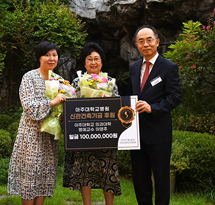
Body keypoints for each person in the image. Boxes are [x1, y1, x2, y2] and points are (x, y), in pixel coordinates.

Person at [128, 25, 182, 205]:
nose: (146, 44)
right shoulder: (134, 68)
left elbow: (175, 97)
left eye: (149, 40)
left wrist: (153, 108)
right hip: (135, 135)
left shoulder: (169, 67)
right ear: (136, 45)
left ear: (157, 42)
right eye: (141, 41)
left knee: (161, 179)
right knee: (140, 179)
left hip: (159, 134)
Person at [7, 41, 66, 205]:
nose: (51, 58)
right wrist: (52, 103)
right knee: (30, 175)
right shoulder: (29, 77)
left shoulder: (59, 80)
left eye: (54, 55)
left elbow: (65, 106)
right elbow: (29, 107)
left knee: (45, 175)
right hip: (31, 135)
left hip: (49, 136)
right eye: (47, 55)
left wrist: (63, 116)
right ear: (39, 57)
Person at [63, 42, 122, 205]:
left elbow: (118, 107)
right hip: (83, 136)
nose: (93, 62)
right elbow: (70, 107)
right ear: (84, 63)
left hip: (106, 136)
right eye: (89, 59)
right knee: (84, 172)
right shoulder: (76, 82)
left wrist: (109, 101)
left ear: (102, 62)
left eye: (97, 59)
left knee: (108, 170)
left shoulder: (110, 82)